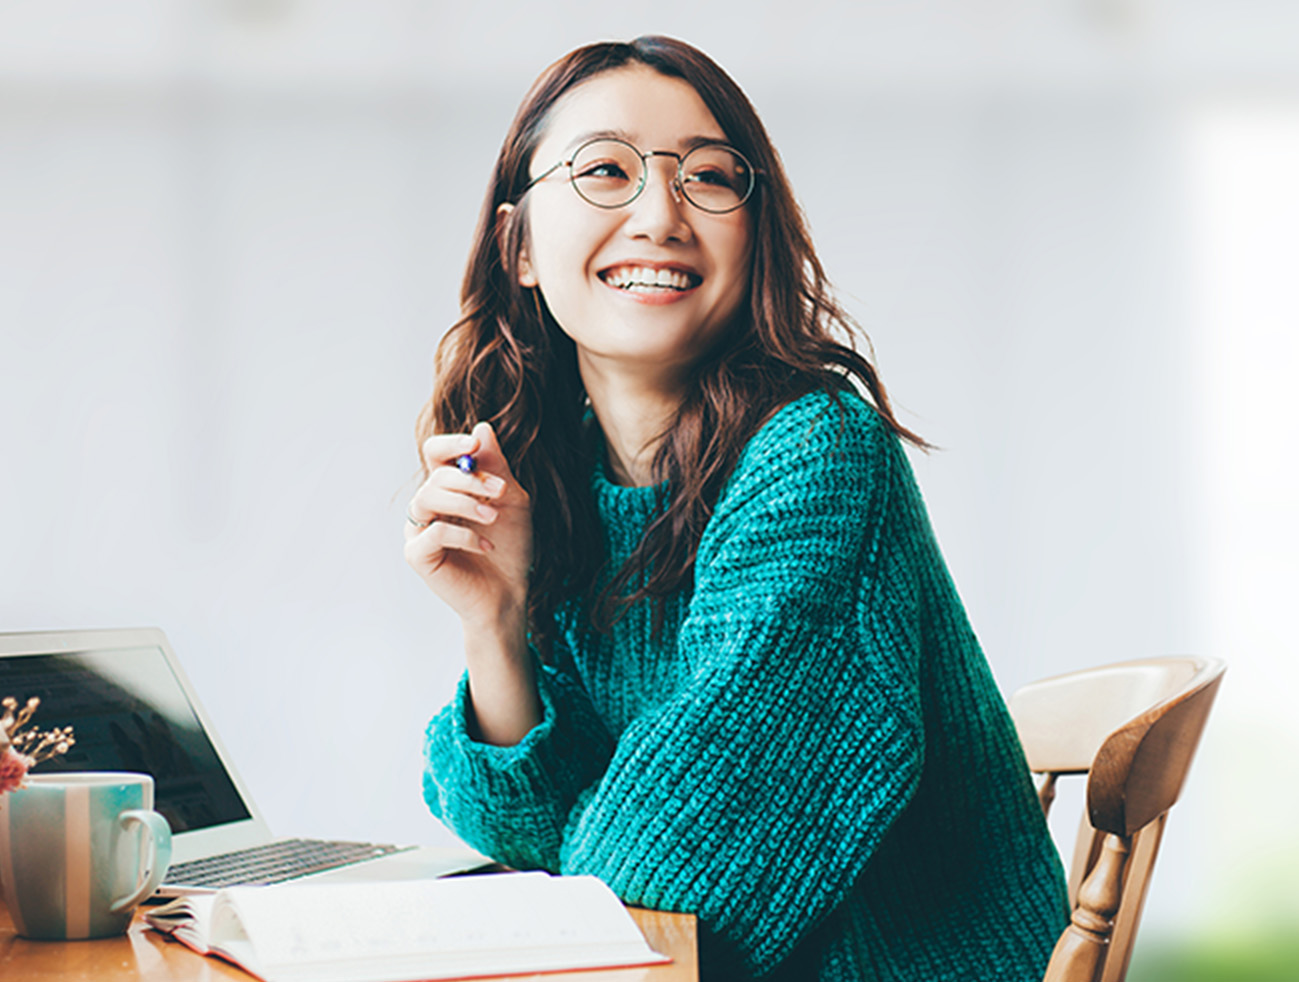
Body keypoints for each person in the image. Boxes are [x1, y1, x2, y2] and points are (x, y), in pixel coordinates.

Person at [405, 35, 1068, 981]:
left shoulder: (820, 452)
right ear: (517, 247)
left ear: (753, 234)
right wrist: (496, 624)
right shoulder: (556, 481)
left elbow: (676, 866)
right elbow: (528, 833)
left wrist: (580, 841)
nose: (660, 215)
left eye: (710, 177)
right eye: (605, 170)